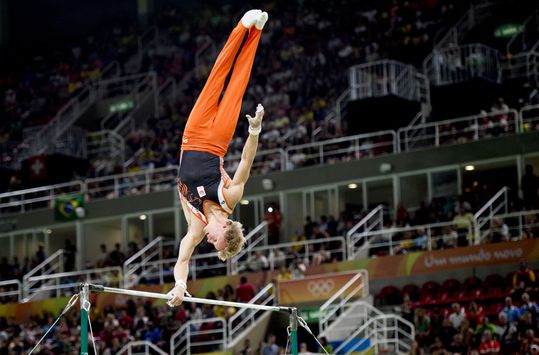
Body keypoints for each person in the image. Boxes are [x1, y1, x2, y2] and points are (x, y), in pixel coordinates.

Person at [167, 9, 269, 306]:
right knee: (229, 80)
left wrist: (179, 285)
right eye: (216, 241)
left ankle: (252, 30)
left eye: (211, 244)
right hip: (216, 142)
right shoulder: (230, 198)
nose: (209, 241)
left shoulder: (197, 226)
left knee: (223, 81)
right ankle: (250, 29)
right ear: (226, 227)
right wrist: (254, 130)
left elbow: (183, 258)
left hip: (192, 136)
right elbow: (246, 165)